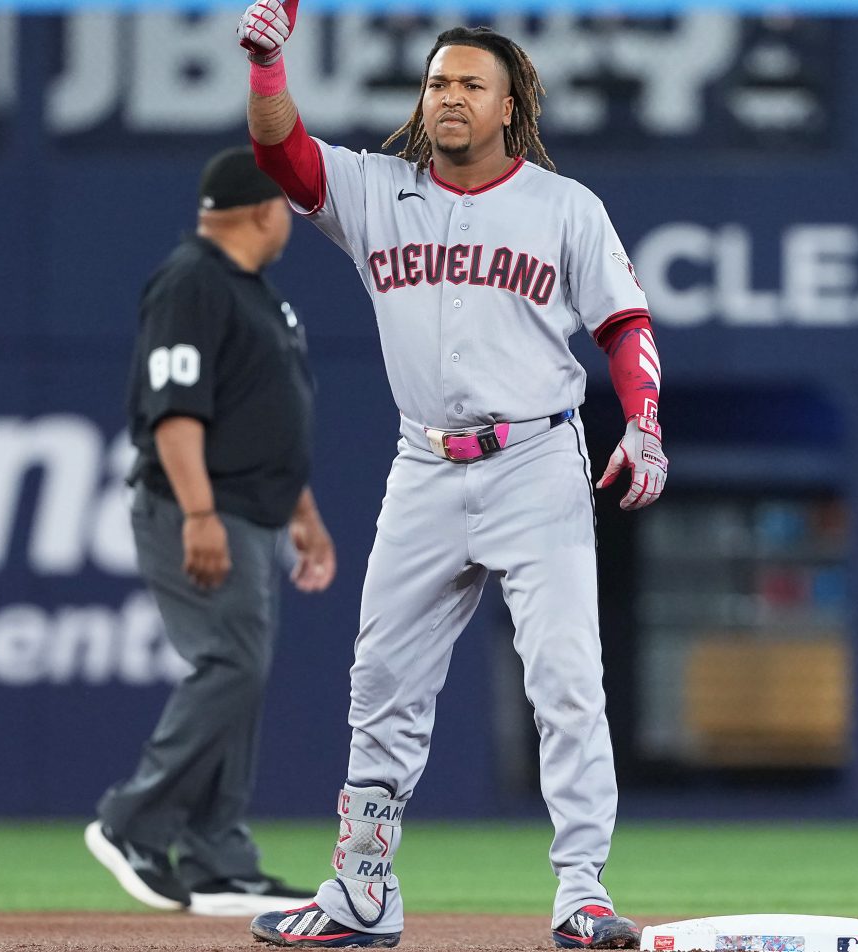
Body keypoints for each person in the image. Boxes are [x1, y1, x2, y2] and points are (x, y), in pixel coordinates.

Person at [236, 4, 668, 948]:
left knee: (564, 681)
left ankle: (582, 891)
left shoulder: (564, 207)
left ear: (511, 108)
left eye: (472, 84)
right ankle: (361, 892)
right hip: (424, 464)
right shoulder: (377, 190)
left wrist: (642, 422)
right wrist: (270, 67)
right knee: (382, 682)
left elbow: (624, 326)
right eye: (438, 83)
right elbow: (284, 159)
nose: (450, 98)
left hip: (537, 461)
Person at [85, 147, 336, 918]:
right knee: (230, 663)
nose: (289, 218)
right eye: (284, 206)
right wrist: (198, 512)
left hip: (253, 512)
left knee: (243, 673)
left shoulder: (250, 292)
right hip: (201, 509)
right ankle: (130, 823)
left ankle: (216, 856)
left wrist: (303, 514)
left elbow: (266, 413)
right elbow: (176, 412)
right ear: (263, 210)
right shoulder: (192, 281)